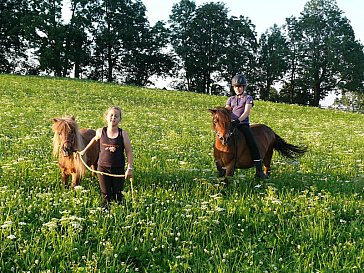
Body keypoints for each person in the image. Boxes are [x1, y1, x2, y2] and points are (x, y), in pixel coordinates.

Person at [80, 106, 133, 207]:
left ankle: (118, 214)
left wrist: (129, 168)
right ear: (106, 117)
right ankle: (106, 214)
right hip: (102, 169)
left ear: (120, 119)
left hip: (118, 169)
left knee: (118, 195)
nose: (113, 118)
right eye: (111, 115)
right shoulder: (100, 131)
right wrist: (84, 151)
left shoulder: (123, 134)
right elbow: (94, 140)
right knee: (105, 195)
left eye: (116, 116)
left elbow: (129, 152)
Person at [225, 74, 267, 179]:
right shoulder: (230, 99)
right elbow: (227, 111)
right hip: (232, 125)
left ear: (243, 87)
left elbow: (246, 112)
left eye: (240, 86)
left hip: (243, 125)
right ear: (233, 88)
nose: (238, 89)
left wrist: (238, 121)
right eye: (236, 87)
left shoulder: (248, 98)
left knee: (252, 143)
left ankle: (259, 170)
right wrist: (229, 121)